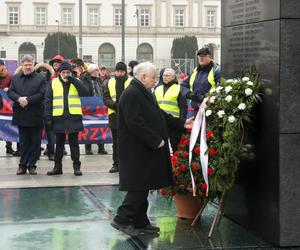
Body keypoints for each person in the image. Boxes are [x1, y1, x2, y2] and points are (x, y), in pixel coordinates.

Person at [111, 62, 194, 237]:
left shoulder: (144, 92)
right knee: (139, 187)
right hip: (137, 150)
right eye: (153, 77)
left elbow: (159, 114)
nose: (155, 80)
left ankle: (141, 221)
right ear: (143, 77)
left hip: (144, 150)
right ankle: (122, 219)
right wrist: (155, 140)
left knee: (144, 184)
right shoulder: (131, 94)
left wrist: (181, 123)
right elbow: (135, 122)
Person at [45, 61, 89, 176]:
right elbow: (48, 101)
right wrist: (48, 117)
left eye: (67, 72)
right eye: (63, 72)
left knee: (74, 144)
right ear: (59, 72)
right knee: (59, 144)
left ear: (71, 72)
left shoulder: (76, 82)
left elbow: (85, 92)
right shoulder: (53, 83)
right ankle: (57, 168)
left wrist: (73, 80)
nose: (65, 74)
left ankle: (76, 168)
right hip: (58, 118)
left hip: (73, 117)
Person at [8, 55, 46, 175]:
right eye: (25, 64)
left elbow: (42, 94)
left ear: (33, 65)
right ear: (22, 65)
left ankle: (32, 165)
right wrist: (19, 99)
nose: (28, 67)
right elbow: (10, 92)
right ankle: (22, 166)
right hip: (21, 115)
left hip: (35, 115)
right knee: (23, 143)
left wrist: (27, 100)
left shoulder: (41, 78)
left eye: (30, 64)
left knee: (35, 143)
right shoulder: (16, 78)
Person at [103, 62, 132, 173]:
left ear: (125, 72)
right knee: (116, 143)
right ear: (115, 71)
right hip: (114, 116)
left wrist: (124, 106)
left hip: (128, 116)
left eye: (122, 71)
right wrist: (115, 105)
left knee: (128, 141)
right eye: (118, 71)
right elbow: (106, 98)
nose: (119, 73)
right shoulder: (109, 82)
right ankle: (116, 164)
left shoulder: (131, 81)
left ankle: (128, 163)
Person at [154, 68, 187, 153]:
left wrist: (182, 122)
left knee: (176, 146)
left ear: (173, 77)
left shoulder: (178, 88)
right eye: (164, 75)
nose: (165, 77)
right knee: (161, 147)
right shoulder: (157, 89)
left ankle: (177, 165)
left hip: (174, 122)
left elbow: (183, 107)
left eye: (167, 75)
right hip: (160, 122)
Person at [181, 47, 220, 114]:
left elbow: (220, 88)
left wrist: (205, 98)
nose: (201, 58)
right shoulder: (195, 71)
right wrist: (190, 94)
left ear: (209, 57)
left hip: (210, 109)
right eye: (199, 56)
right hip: (194, 108)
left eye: (204, 56)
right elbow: (183, 85)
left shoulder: (216, 71)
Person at [80, 64, 108, 155]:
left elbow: (102, 91)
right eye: (96, 70)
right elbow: (85, 91)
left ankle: (101, 147)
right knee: (89, 126)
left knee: (100, 126)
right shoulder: (85, 80)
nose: (98, 72)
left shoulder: (98, 80)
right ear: (92, 71)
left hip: (99, 105)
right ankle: (88, 148)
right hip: (88, 105)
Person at [34, 62, 56, 161]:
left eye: (44, 70)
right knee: (37, 134)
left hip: (49, 110)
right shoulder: (34, 81)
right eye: (40, 71)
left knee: (50, 133)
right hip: (37, 110)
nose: (43, 72)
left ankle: (51, 152)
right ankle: (37, 152)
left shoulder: (52, 81)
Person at [0, 59, 18, 155]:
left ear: (3, 66)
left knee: (6, 124)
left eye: (0, 66)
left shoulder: (9, 77)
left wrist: (8, 90)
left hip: (5, 106)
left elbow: (13, 88)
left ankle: (9, 147)